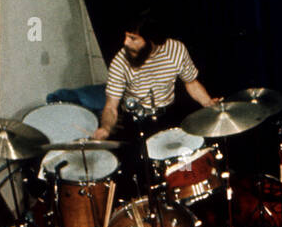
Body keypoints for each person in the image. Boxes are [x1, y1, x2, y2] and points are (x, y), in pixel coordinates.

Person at [92, 10, 219, 140]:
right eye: (126, 36)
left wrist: (208, 103)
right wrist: (105, 128)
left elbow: (191, 82)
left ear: (151, 39)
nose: (126, 42)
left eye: (133, 38)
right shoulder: (120, 62)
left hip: (170, 115)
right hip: (137, 122)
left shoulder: (175, 50)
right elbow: (111, 106)